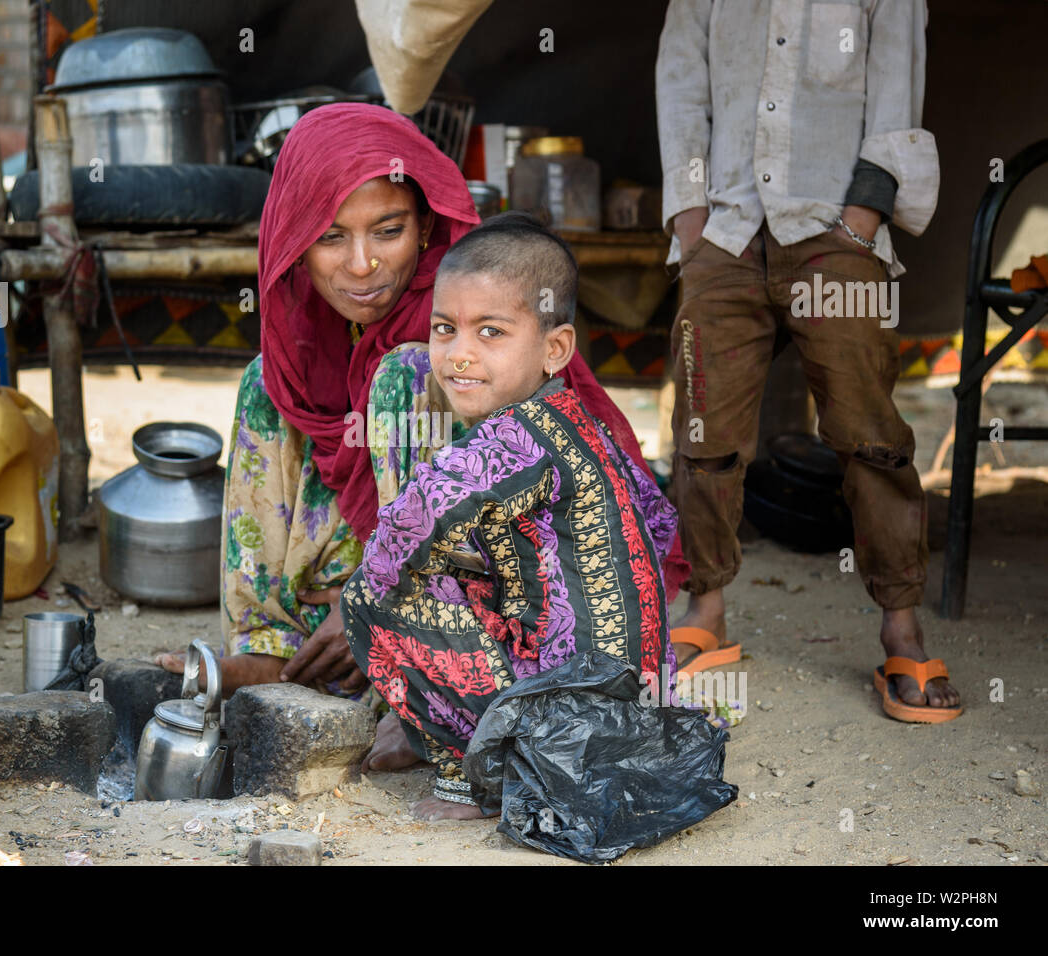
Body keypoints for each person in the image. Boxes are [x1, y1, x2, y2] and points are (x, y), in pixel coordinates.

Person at [154, 104, 689, 708]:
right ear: (294, 240)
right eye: (331, 236)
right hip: (370, 561)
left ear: (426, 226)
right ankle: (269, 647)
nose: (362, 265)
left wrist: (374, 597)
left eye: (388, 231)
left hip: (496, 593)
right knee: (266, 380)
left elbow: (505, 497)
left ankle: (422, 674)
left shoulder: (470, 305)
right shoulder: (305, 328)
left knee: (405, 371)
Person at [656, 0, 959, 721]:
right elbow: (681, 87)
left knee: (870, 433)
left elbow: (895, 94)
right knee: (705, 428)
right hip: (725, 232)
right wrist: (691, 219)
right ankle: (707, 607)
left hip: (833, 229)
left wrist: (860, 222)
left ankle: (900, 621)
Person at [340, 213, 680, 819]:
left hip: (568, 734)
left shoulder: (515, 441)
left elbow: (408, 526)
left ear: (555, 349)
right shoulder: (581, 425)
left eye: (490, 332)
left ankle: (475, 779)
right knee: (460, 575)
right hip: (636, 718)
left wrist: (395, 591)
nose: (458, 355)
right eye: (445, 329)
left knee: (372, 592)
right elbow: (658, 521)